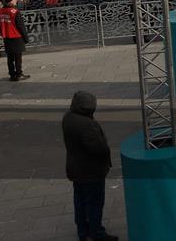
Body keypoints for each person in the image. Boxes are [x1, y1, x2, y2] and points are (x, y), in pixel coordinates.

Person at [62, 91, 116, 241]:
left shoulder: (68, 117)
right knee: (94, 204)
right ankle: (96, 233)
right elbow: (98, 149)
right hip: (91, 172)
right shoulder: (87, 124)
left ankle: (83, 231)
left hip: (76, 169)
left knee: (80, 201)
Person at [0, 0, 29, 81]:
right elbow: (21, 26)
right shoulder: (15, 11)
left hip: (6, 36)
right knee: (18, 57)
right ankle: (19, 73)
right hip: (16, 36)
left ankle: (12, 74)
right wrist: (25, 38)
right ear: (10, 0)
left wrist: (3, 33)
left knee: (10, 57)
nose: (16, 0)